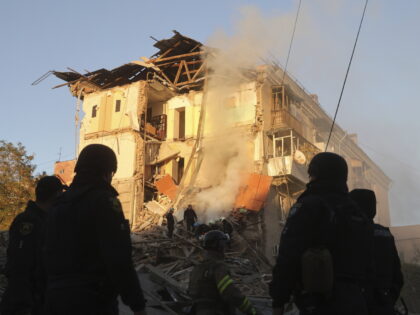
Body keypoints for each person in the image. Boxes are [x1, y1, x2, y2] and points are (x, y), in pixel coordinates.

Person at [44, 144, 146, 315]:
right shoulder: (103, 200)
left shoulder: (58, 205)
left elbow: (44, 253)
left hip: (54, 299)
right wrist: (137, 305)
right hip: (91, 300)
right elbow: (118, 257)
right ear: (107, 172)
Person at [270, 152, 373, 315]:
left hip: (320, 302)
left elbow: (288, 255)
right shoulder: (357, 213)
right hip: (357, 301)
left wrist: (279, 299)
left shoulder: (309, 206)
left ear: (315, 174)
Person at [0, 176, 65, 315]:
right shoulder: (29, 222)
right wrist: (24, 306)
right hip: (26, 302)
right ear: (57, 195)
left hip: (36, 299)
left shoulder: (42, 220)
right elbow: (21, 266)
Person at [350, 189, 404, 315]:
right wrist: (387, 299)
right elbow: (398, 277)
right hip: (383, 305)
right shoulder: (385, 235)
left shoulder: (348, 234)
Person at [188, 230, 257, 315]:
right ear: (219, 246)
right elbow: (231, 293)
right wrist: (252, 310)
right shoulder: (218, 267)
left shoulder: (197, 269)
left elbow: (190, 293)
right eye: (224, 245)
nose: (225, 248)